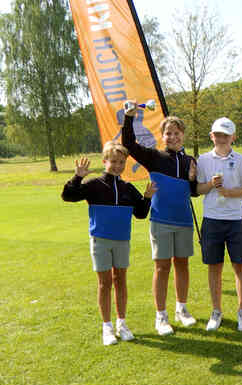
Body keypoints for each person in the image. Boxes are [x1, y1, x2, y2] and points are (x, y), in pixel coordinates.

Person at [61, 142, 154, 345]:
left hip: (122, 240)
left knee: (120, 280)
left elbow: (140, 213)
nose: (118, 166)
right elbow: (68, 196)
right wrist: (78, 177)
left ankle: (122, 324)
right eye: (113, 162)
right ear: (105, 162)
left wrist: (146, 198)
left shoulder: (128, 188)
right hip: (100, 240)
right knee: (105, 283)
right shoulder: (94, 185)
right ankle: (107, 328)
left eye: (121, 162)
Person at [121, 102, 198, 336]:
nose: (172, 136)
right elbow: (128, 144)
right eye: (168, 133)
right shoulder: (154, 156)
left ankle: (181, 310)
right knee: (162, 267)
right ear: (162, 136)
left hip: (184, 220)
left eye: (176, 133)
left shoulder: (189, 161)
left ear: (182, 135)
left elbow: (193, 192)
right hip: (161, 220)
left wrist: (193, 179)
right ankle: (161, 316)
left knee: (182, 264)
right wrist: (128, 117)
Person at [196, 117, 242, 332]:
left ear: (233, 137)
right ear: (212, 136)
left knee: (240, 265)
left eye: (226, 135)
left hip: (236, 220)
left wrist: (231, 192)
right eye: (218, 134)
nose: (221, 138)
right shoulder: (203, 159)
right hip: (212, 219)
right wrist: (211, 184)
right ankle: (216, 311)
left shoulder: (241, 160)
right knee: (214, 267)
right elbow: (198, 190)